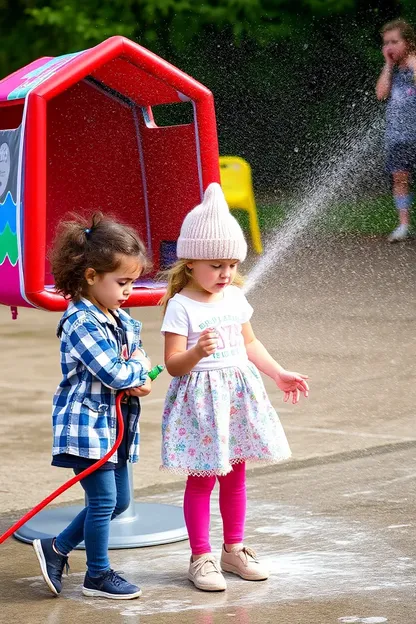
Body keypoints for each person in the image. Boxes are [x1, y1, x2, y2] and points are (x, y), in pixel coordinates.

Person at [159, 183, 309, 592]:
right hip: (202, 404)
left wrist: (277, 373)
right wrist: (196, 354)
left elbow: (250, 343)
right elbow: (173, 365)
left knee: (236, 475)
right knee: (203, 478)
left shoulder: (235, 298)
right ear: (190, 263)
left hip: (239, 399)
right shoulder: (181, 306)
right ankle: (201, 556)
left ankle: (234, 549)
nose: (225, 273)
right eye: (216, 265)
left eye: (231, 264)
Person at [33, 212, 152, 600]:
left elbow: (136, 358)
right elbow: (118, 372)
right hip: (86, 426)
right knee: (103, 501)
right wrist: (136, 373)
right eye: (122, 282)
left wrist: (136, 373)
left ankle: (57, 548)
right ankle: (97, 575)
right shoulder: (81, 321)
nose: (128, 291)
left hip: (113, 426)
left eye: (132, 282)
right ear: (90, 277)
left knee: (119, 502)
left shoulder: (116, 316)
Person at [376, 18, 416, 242]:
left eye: (394, 42)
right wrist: (388, 65)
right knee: (400, 179)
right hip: (398, 137)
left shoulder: (413, 64)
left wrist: (412, 62)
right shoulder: (392, 70)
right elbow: (381, 94)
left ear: (408, 42)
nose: (389, 47)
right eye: (385, 43)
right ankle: (404, 225)